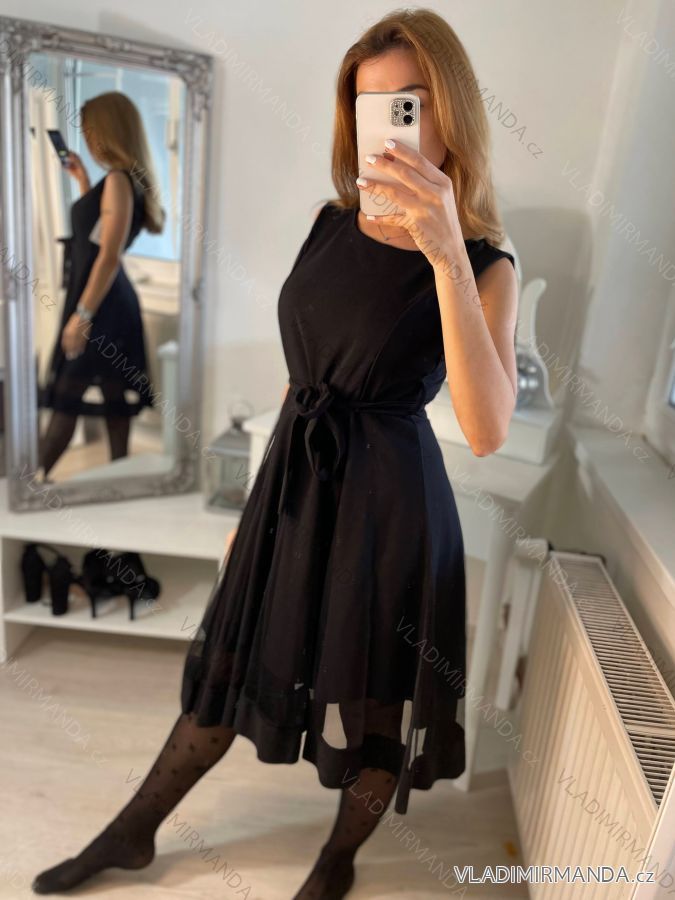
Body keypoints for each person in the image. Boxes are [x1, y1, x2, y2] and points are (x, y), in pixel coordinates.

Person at [32, 8, 518, 898]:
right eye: (369, 104)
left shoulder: (484, 263)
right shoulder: (328, 222)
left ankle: (336, 860)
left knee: (374, 706)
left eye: (408, 101)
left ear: (449, 109)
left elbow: (486, 431)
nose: (388, 125)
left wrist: (446, 249)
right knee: (228, 671)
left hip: (388, 511)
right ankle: (133, 832)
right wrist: (253, 509)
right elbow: (304, 381)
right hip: (294, 486)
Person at [38, 91, 164, 481]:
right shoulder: (118, 182)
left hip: (103, 307)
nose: (88, 140)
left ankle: (26, 488)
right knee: (112, 394)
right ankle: (118, 477)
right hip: (106, 301)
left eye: (90, 131)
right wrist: (82, 182)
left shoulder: (119, 181)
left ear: (106, 131)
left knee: (67, 396)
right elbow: (97, 237)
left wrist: (82, 316)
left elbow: (107, 255)